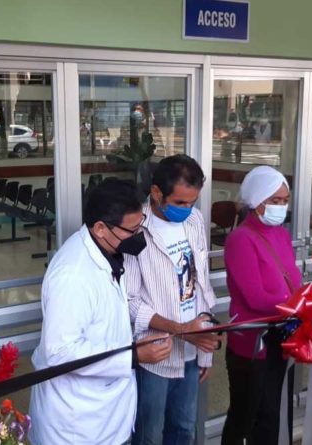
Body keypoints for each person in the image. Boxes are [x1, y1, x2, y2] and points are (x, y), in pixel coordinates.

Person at [29, 179, 172, 445]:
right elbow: (59, 352)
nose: (139, 235)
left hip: (105, 414)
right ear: (101, 228)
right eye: (132, 230)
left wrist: (133, 347)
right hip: (78, 425)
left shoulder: (105, 251)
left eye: (140, 225)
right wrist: (133, 356)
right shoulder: (73, 275)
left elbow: (104, 323)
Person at [126, 155, 219, 445]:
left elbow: (200, 283)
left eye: (193, 202)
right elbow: (129, 301)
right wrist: (180, 330)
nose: (188, 209)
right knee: (149, 435)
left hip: (193, 351)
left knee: (183, 429)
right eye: (180, 203)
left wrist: (205, 350)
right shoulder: (135, 230)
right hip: (155, 355)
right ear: (156, 193)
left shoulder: (194, 221)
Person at [221, 166, 301, 444]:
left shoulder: (280, 233)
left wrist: (304, 302)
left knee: (272, 415)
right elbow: (255, 297)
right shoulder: (240, 239)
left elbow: (292, 280)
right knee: (246, 416)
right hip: (252, 344)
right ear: (256, 200)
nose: (281, 206)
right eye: (274, 200)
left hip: (282, 336)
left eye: (284, 201)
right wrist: (299, 306)